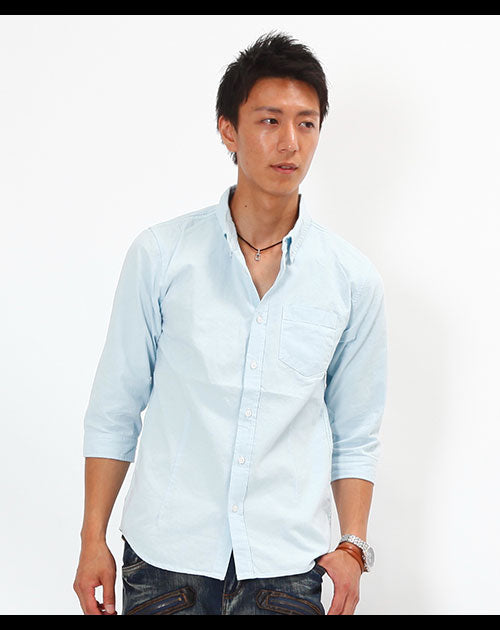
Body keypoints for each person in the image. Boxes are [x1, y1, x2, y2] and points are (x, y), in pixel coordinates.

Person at [73, 31, 388, 616]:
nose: (289, 142)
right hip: (165, 563)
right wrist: (93, 539)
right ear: (228, 130)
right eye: (269, 120)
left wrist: (353, 546)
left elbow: (356, 432)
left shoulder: (351, 280)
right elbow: (116, 407)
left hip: (286, 570)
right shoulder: (162, 255)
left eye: (307, 123)